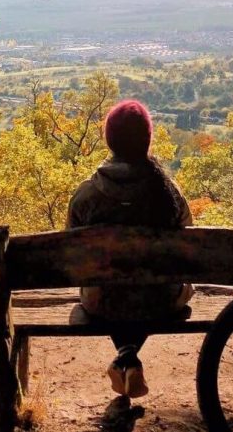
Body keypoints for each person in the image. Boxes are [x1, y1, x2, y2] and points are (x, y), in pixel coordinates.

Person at [66, 99, 194, 399]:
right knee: (146, 292)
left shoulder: (87, 194)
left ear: (110, 140)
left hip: (102, 302)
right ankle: (128, 355)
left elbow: (73, 253)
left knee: (114, 292)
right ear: (146, 140)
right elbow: (189, 242)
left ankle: (125, 354)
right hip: (162, 301)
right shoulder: (168, 192)